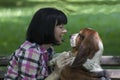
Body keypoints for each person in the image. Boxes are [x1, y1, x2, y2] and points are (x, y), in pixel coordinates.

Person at [4, 7, 73, 80]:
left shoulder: (48, 49)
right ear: (47, 29)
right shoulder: (31, 53)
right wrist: (56, 73)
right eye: (61, 27)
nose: (65, 31)